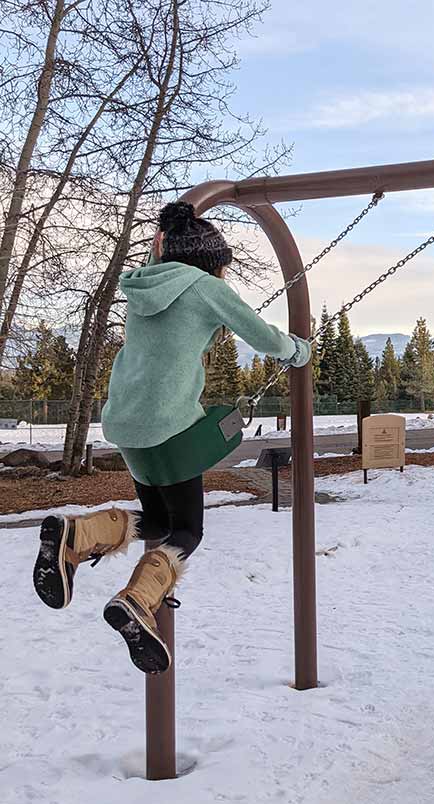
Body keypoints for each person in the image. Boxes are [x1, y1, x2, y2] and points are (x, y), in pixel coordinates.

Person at [32, 201, 311, 674]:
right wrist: (297, 352)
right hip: (170, 424)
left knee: (158, 519)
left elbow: (158, 257)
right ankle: (138, 600)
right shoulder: (205, 288)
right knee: (188, 530)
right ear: (212, 264)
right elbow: (260, 334)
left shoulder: (143, 283)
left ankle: (78, 534)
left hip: (124, 423)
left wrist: (162, 241)